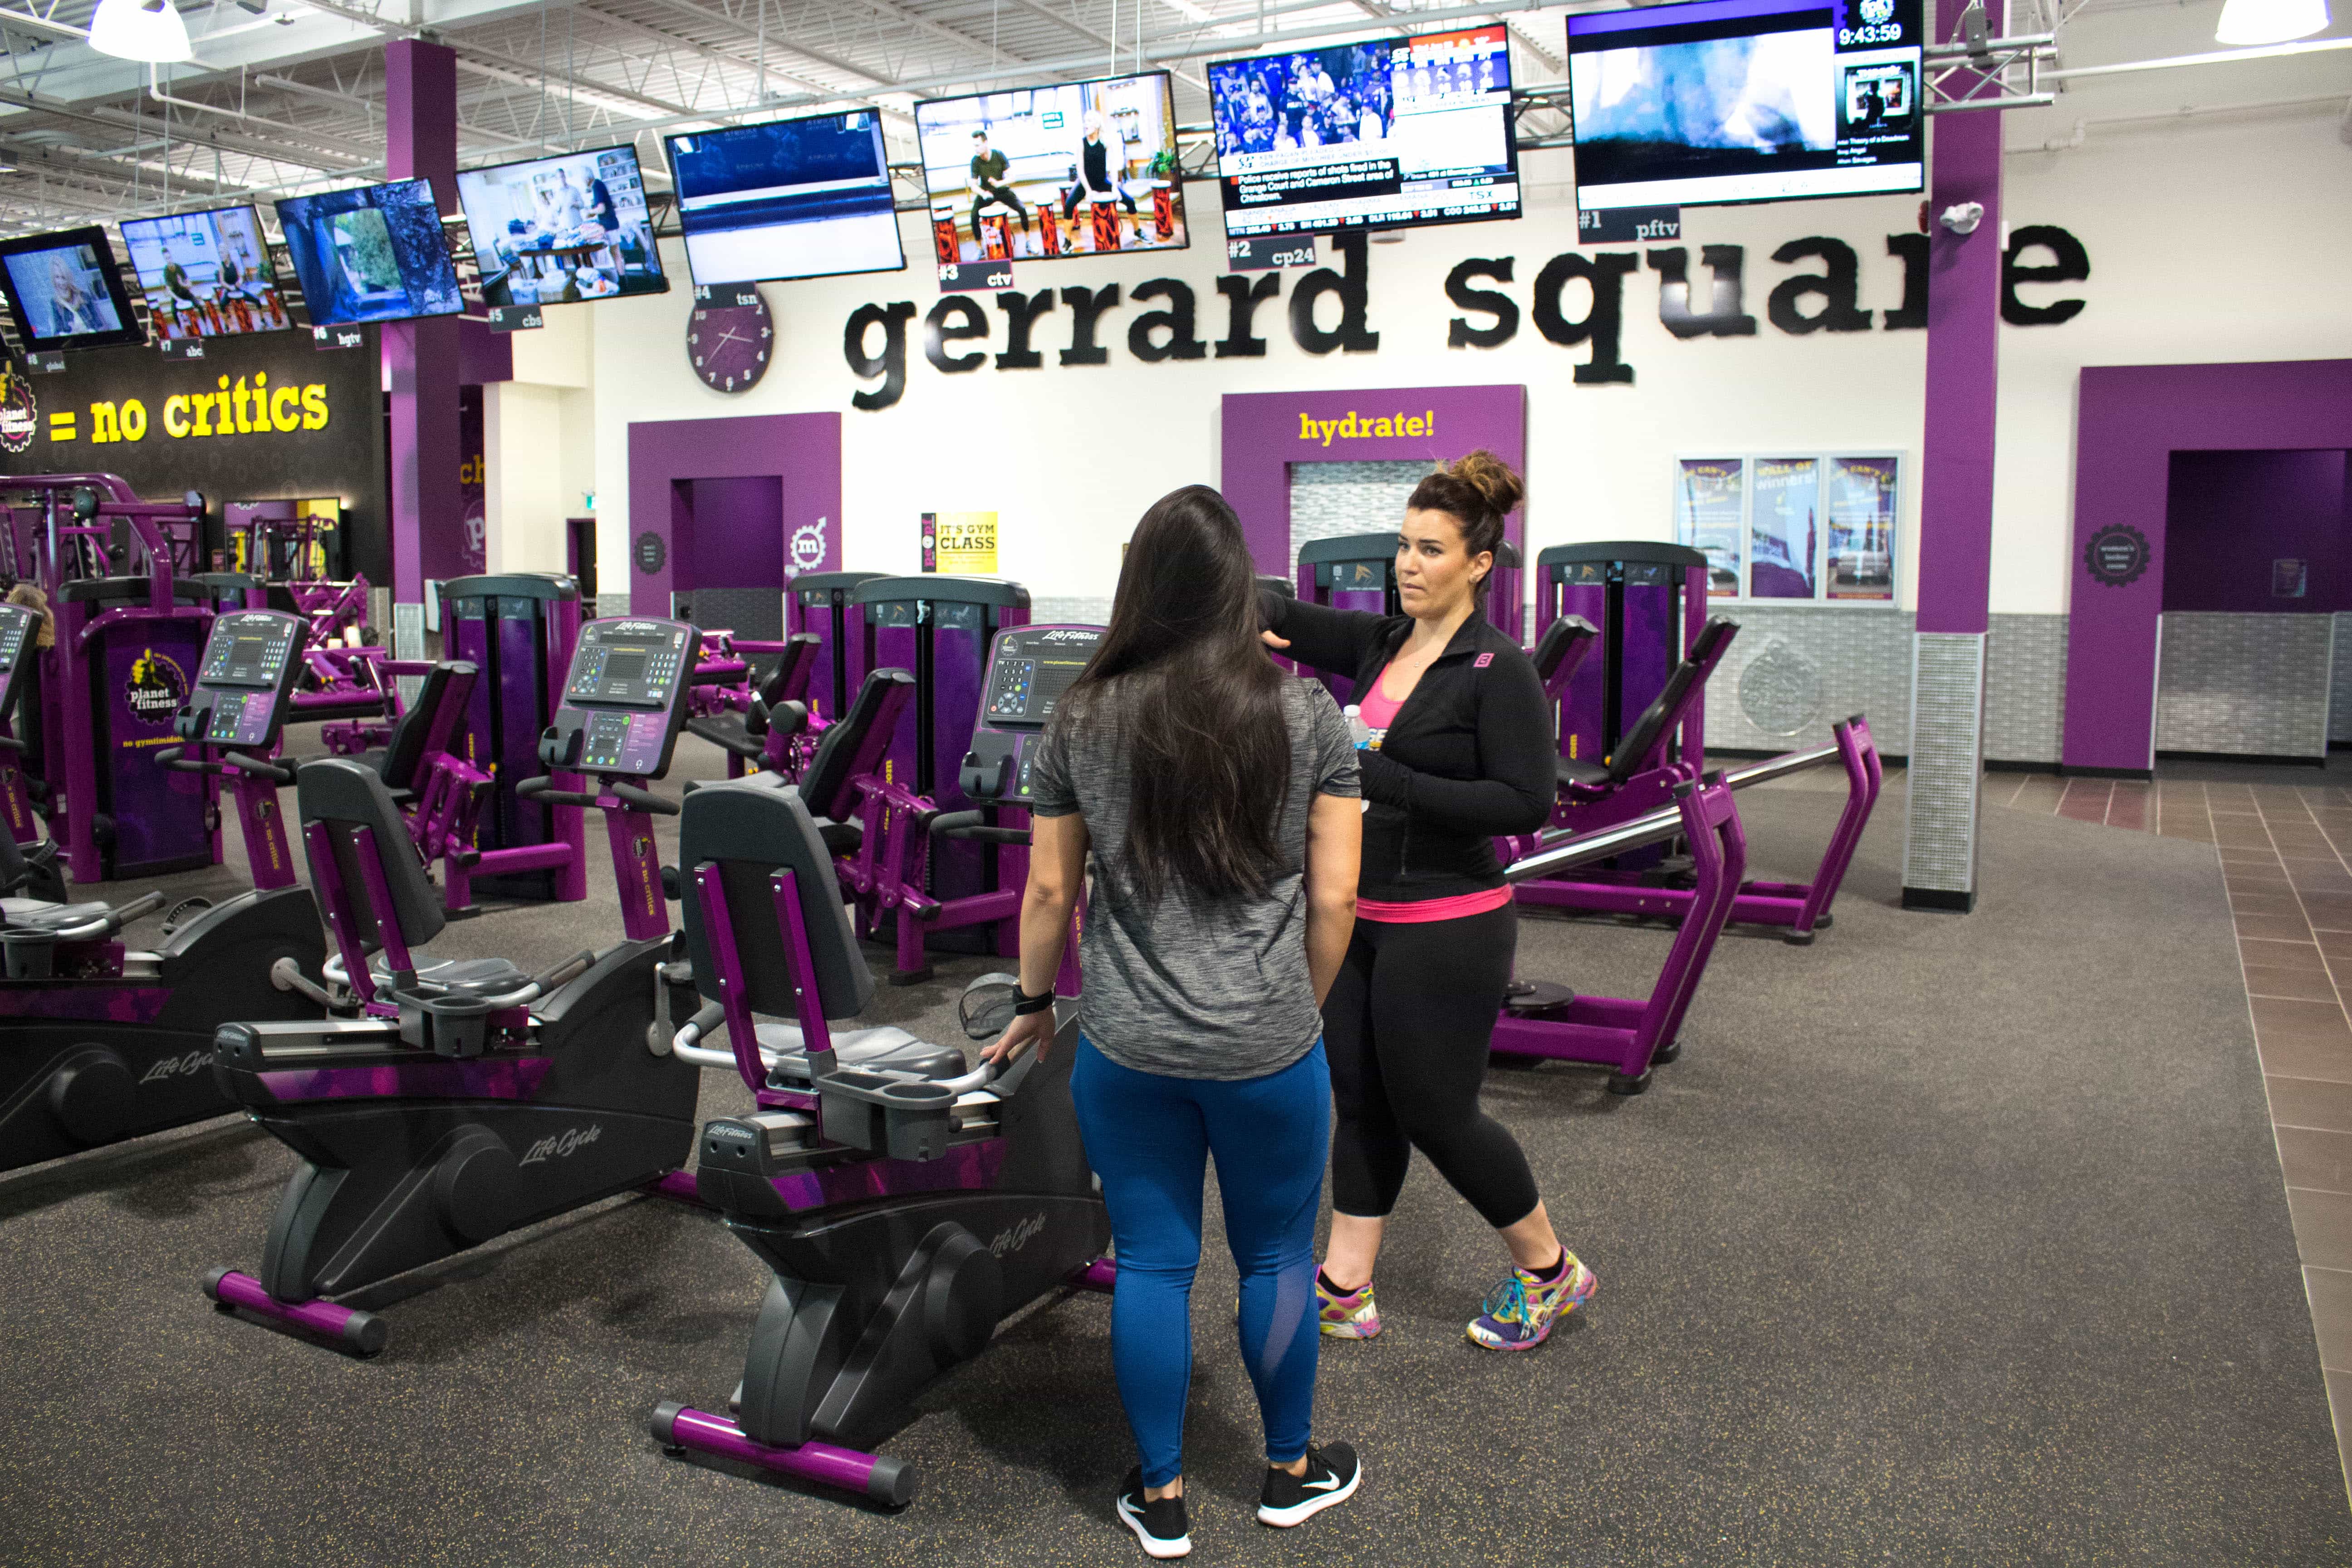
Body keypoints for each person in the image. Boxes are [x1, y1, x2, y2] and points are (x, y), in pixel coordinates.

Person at [985, 484, 1365, 1559]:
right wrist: (1296, 1006)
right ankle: (1286, 1473)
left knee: (1154, 1262)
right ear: (1241, 586)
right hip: (1268, 1047)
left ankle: (1159, 1495)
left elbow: (1050, 896)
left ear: (1138, 587)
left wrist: (1028, 1006)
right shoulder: (1306, 714)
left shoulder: (1078, 715)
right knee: (1276, 1254)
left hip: (1125, 1047)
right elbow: (1336, 901)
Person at [1259, 451, 1599, 1354]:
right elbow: (1281, 616)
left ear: (1479, 564)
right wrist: (1200, 578)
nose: (1408, 565)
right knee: (1361, 1100)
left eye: (1431, 550)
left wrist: (1391, 777)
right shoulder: (1381, 643)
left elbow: (1527, 801)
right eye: (1404, 548)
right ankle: (1343, 1286)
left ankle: (1550, 1270)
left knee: (1438, 1115)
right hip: (1362, 918)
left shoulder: (1497, 669)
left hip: (1451, 923)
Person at [1060, 112, 1137, 231]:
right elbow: (1080, 171)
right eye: (1085, 121)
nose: (1086, 125)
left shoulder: (1106, 142)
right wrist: (1089, 191)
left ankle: (1138, 231)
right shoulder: (1081, 144)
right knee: (1069, 205)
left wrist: (1115, 187)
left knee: (1131, 202)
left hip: (1102, 182)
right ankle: (1067, 241)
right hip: (1085, 183)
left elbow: (1113, 167)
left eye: (1089, 121)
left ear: (1097, 125)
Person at [967, 128, 1031, 238]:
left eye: (978, 146)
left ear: (986, 142)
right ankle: (980, 248)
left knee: (1022, 209)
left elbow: (1012, 178)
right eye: (974, 146)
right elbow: (973, 186)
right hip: (986, 193)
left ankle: (1029, 240)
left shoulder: (999, 155)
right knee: (973, 216)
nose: (976, 149)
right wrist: (983, 194)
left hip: (1002, 191)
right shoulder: (975, 161)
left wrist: (998, 184)